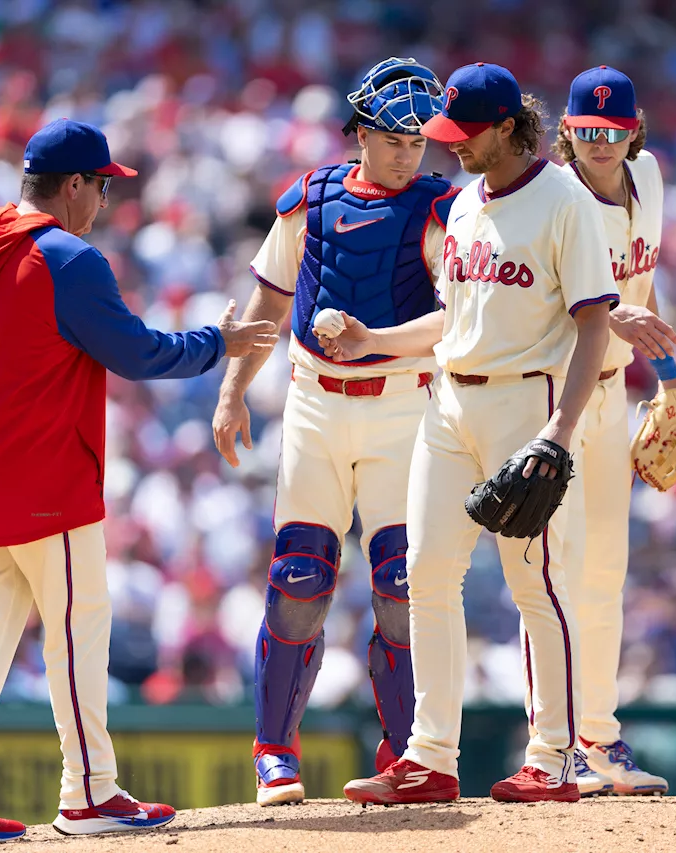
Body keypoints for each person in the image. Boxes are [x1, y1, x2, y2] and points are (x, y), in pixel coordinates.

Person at [0, 118, 277, 844]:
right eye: (101, 186)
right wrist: (219, 342)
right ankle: (90, 792)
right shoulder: (66, 257)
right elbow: (137, 352)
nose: (105, 202)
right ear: (73, 185)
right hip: (42, 481)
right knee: (79, 634)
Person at [330, 62, 619, 804]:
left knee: (538, 584)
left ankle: (554, 753)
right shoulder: (463, 204)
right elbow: (452, 323)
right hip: (450, 403)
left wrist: (559, 432)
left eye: (464, 133)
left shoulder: (564, 202)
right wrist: (376, 339)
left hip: (530, 405)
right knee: (424, 573)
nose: (449, 145)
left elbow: (595, 326)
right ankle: (430, 754)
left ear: (507, 128)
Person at [210, 57, 456, 807]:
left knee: (402, 587)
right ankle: (275, 751)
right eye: (392, 138)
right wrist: (230, 394)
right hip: (315, 403)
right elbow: (266, 300)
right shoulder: (311, 198)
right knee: (299, 580)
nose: (407, 151)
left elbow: (456, 320)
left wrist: (373, 339)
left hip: (400, 409)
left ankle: (407, 751)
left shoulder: (442, 208)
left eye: (418, 140)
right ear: (359, 132)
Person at [547, 64, 673, 797]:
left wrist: (667, 379)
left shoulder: (647, 177)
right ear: (566, 131)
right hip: (555, 397)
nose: (600, 141)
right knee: (556, 573)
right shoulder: (553, 199)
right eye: (586, 130)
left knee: (605, 574)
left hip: (613, 392)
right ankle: (553, 742)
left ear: (634, 130)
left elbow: (643, 286)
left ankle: (599, 733)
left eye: (612, 130)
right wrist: (607, 315)